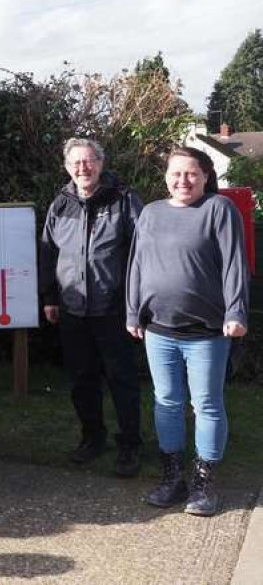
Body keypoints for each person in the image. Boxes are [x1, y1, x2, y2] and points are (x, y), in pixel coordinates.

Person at [127, 146, 249, 516]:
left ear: (206, 176)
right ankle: (172, 478)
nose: (183, 180)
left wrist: (236, 310)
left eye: (192, 173)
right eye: (176, 173)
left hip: (207, 332)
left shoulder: (218, 210)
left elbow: (234, 264)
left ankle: (203, 485)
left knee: (207, 405)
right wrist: (133, 311)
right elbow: (136, 264)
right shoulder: (151, 213)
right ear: (166, 176)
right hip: (159, 330)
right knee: (166, 402)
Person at [39, 138, 144, 476]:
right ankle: (92, 438)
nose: (83, 168)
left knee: (122, 380)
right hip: (72, 310)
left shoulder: (124, 201)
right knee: (82, 379)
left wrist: (136, 303)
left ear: (101, 163)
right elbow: (49, 254)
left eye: (89, 161)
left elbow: (143, 254)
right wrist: (50, 297)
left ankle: (130, 445)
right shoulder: (60, 204)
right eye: (76, 163)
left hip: (114, 310)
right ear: (67, 167)